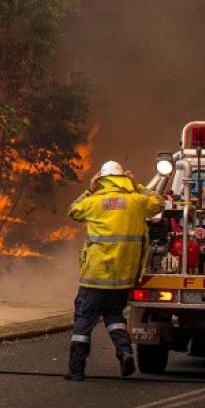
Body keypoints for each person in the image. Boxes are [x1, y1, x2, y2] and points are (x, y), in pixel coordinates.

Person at [65, 160, 164, 381]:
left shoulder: (93, 202)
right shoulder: (137, 201)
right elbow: (158, 203)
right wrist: (137, 186)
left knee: (84, 321)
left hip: (95, 276)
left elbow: (72, 210)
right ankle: (125, 352)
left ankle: (76, 369)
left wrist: (90, 190)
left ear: (102, 180)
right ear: (123, 179)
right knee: (114, 316)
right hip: (122, 277)